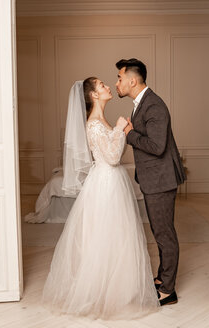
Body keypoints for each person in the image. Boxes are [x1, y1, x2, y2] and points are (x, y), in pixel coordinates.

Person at [42, 78, 160, 320]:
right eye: (102, 85)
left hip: (112, 181)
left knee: (117, 235)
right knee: (107, 236)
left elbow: (113, 152)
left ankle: (117, 290)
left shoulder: (101, 120)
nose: (108, 87)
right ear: (94, 95)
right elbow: (113, 157)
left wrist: (117, 129)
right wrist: (119, 128)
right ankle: (103, 293)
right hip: (106, 184)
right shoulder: (95, 124)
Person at [115, 58, 186, 306]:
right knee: (159, 232)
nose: (117, 83)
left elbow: (157, 147)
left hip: (161, 180)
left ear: (132, 80)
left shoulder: (153, 105)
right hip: (154, 179)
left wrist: (129, 134)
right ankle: (162, 278)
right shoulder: (141, 102)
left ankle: (168, 290)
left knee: (165, 234)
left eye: (120, 78)